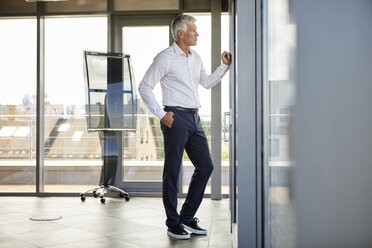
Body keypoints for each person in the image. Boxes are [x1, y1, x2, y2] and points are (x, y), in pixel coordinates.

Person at [138, 15, 231, 240]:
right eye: (193, 30)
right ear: (180, 33)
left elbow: (207, 82)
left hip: (195, 119)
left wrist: (224, 67)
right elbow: (144, 86)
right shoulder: (165, 58)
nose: (197, 34)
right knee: (172, 171)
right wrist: (161, 115)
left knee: (206, 166)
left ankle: (187, 217)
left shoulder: (195, 57)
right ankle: (173, 223)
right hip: (175, 118)